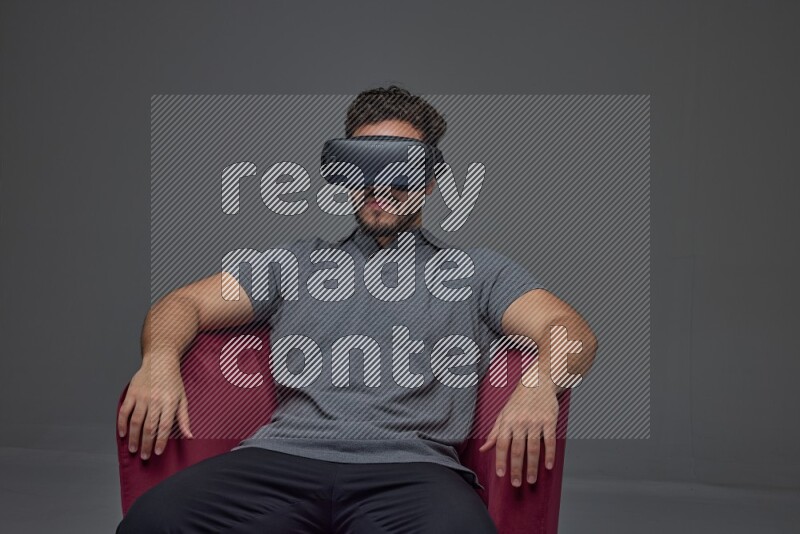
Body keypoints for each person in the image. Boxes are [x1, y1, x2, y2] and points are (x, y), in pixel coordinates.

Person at [116, 86, 597, 533]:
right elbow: (183, 303)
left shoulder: (478, 271)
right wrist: (159, 361)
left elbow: (569, 330)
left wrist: (539, 385)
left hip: (413, 471)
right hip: (282, 459)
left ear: (430, 180)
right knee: (152, 522)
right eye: (363, 163)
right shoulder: (292, 263)